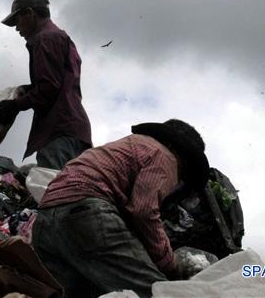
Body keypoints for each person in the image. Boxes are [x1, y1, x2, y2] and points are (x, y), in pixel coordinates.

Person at [31, 119, 210, 298]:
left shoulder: (129, 143)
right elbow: (144, 211)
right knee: (155, 291)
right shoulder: (165, 156)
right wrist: (170, 264)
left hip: (45, 219)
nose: (179, 176)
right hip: (87, 213)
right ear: (177, 150)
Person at [0, 0, 92, 169]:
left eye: (17, 21)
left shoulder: (45, 38)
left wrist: (16, 105)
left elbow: (49, 88)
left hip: (59, 131)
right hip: (74, 130)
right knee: (74, 190)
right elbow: (57, 83)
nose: (17, 28)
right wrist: (30, 90)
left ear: (30, 13)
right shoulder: (59, 36)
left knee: (55, 192)